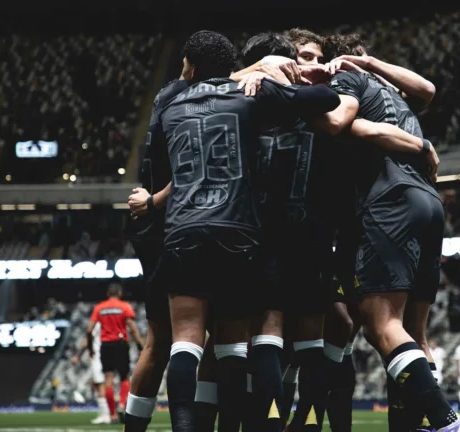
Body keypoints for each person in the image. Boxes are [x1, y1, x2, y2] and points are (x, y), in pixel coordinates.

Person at [148, 30, 340, 432]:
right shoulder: (249, 95)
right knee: (234, 344)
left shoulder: (169, 100)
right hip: (240, 229)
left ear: (192, 67)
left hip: (182, 226)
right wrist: (266, 74)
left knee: (185, 341)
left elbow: (175, 93)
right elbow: (327, 99)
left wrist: (246, 70)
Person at [314, 34, 460, 432]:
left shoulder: (345, 82)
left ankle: (447, 422)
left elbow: (345, 123)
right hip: (429, 202)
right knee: (413, 334)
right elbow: (428, 90)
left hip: (391, 201)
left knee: (379, 324)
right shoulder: (393, 94)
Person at [123, 73, 191, 431]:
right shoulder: (202, 104)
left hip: (154, 227)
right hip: (178, 225)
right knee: (216, 337)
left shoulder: (167, 96)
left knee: (161, 340)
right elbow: (192, 170)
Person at [86, 284, 146, 424]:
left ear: (107, 293)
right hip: (120, 344)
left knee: (108, 379)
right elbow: (132, 327)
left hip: (105, 345)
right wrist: (139, 345)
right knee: (124, 377)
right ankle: (122, 405)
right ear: (119, 293)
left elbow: (89, 330)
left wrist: (90, 347)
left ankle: (112, 415)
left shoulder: (99, 308)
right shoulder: (124, 306)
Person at [71, 322, 109, 424]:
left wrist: (77, 356)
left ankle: (106, 415)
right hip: (107, 355)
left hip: (98, 357)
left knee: (99, 385)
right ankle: (107, 412)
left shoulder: (97, 324)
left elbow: (87, 341)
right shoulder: (107, 323)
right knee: (99, 384)